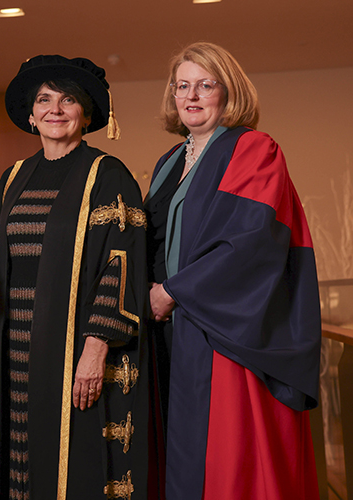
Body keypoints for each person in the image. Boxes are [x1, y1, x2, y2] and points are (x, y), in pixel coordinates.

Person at [145, 42, 321, 499]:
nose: (191, 96)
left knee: (228, 461)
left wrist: (171, 292)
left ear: (229, 91)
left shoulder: (254, 149)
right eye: (182, 85)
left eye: (206, 85)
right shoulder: (169, 162)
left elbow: (251, 241)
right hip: (170, 330)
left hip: (223, 331)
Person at [0, 55, 149, 499]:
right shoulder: (13, 177)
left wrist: (95, 347)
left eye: (67, 100)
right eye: (44, 100)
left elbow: (120, 264)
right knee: (19, 452)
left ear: (86, 115)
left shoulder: (108, 175)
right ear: (31, 115)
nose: (55, 109)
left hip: (73, 344)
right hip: (15, 343)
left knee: (72, 458)